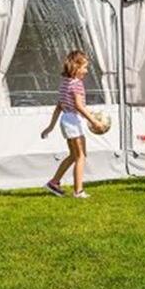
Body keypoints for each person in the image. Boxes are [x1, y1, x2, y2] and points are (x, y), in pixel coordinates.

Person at [41, 50, 102, 198]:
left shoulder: (65, 83)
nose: (86, 71)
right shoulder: (77, 84)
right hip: (73, 121)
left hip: (66, 120)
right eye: (84, 67)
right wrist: (94, 121)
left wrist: (50, 127)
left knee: (74, 155)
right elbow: (79, 106)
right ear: (76, 67)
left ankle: (54, 183)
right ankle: (78, 191)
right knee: (81, 156)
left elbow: (59, 107)